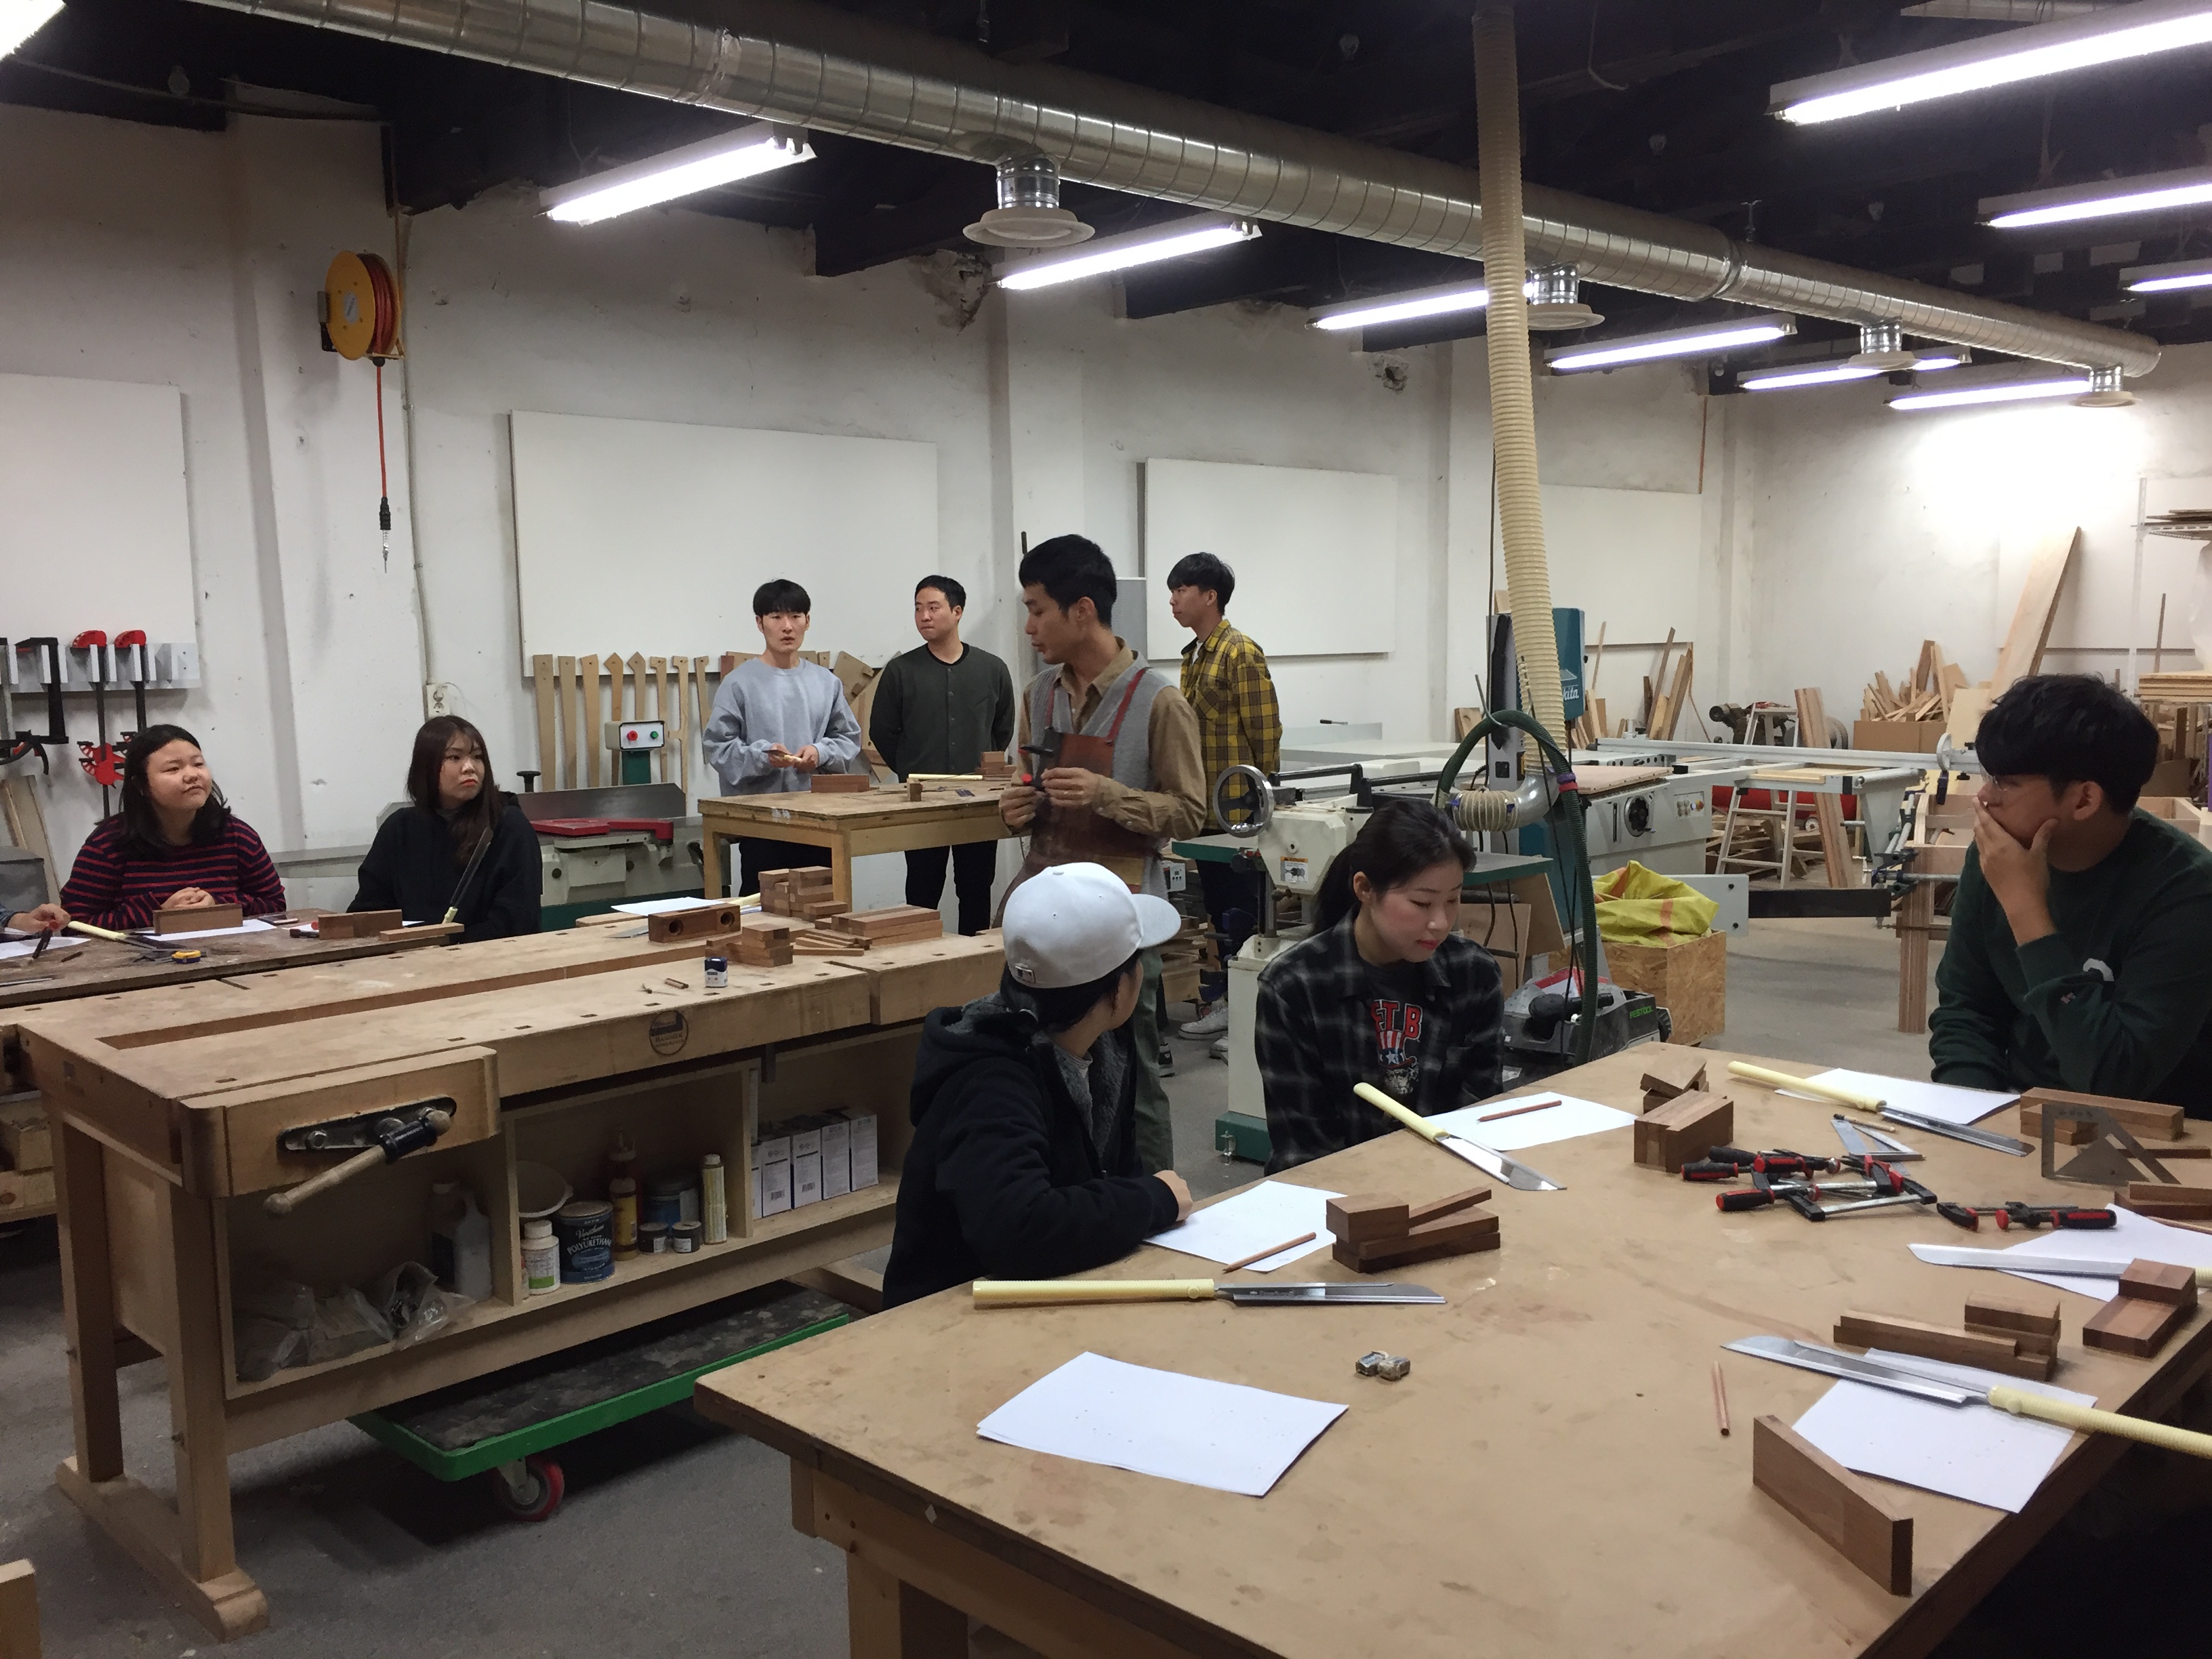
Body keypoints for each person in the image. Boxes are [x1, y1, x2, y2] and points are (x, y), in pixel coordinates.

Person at [882, 861, 1194, 1307]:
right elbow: (1017, 1230)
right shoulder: (990, 1079)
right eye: (1137, 961)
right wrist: (1151, 1200)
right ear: (1118, 990)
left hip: (1056, 1288)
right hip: (950, 1314)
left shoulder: (1104, 1050)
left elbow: (1119, 1173)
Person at [999, 533, 1206, 1174]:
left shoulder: (1158, 702)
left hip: (1123, 915)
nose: (1030, 627)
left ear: (1082, 610)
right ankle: (1062, 1193)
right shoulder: (1038, 696)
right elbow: (1026, 784)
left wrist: (1108, 796)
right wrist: (1017, 808)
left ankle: (1159, 1201)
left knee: (1133, 1075)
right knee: (1037, 1066)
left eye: (1038, 610)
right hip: (1043, 906)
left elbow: (1191, 812)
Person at [1931, 674, 2212, 1116]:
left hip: (2157, 1129)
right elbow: (1966, 1011)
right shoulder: (1997, 856)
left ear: (2084, 800)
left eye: (2004, 782)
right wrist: (1973, 1114)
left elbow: (2114, 1080)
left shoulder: (2187, 889)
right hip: (2021, 1111)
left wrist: (2026, 908)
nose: (1984, 797)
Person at [1254, 799, 1503, 1172]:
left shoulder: (1474, 974)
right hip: (1332, 1189)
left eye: (1452, 899)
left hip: (1447, 1179)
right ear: (1365, 889)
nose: (1441, 922)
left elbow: (1478, 1117)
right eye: (1422, 903)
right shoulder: (1294, 987)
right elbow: (1305, 1147)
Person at [1164, 551, 1282, 1058]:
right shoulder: (1194, 655)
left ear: (1209, 596)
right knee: (1218, 912)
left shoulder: (1240, 652)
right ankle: (1231, 1005)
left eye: (1181, 590)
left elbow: (1266, 734)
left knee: (1246, 916)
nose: (1173, 600)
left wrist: (1260, 805)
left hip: (1237, 813)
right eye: (1172, 592)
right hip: (1205, 807)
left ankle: (1254, 1020)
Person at [868, 575, 1016, 935]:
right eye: (918, 609)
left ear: (957, 611)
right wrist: (910, 769)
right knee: (922, 890)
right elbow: (882, 731)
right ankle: (921, 959)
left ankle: (973, 958)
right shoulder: (901, 671)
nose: (924, 616)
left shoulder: (992, 669)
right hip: (921, 800)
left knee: (976, 888)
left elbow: (1003, 727)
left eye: (933, 608)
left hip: (977, 800)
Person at [702, 578, 864, 897]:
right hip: (761, 822)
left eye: (795, 616)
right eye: (776, 617)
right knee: (762, 908)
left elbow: (848, 737)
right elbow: (718, 747)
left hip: (819, 820)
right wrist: (762, 757)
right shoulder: (739, 683)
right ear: (760, 623)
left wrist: (820, 752)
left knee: (821, 904)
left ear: (808, 621)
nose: (787, 627)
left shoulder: (825, 682)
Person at [47, 725, 285, 931]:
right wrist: (157, 913)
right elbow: (74, 924)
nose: (192, 775)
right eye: (173, 769)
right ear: (141, 785)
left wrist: (219, 905)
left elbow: (276, 905)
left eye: (198, 764)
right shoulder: (109, 844)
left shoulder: (236, 835)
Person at [350, 716, 541, 942]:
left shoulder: (507, 826)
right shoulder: (399, 828)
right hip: (409, 957)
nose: (470, 768)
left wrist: (445, 945)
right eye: (455, 757)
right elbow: (369, 909)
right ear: (427, 766)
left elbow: (517, 920)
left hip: (489, 955)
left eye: (477, 757)